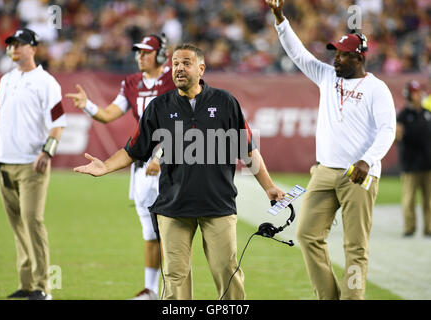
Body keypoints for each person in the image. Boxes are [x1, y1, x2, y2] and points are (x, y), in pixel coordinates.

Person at [73, 43, 285, 300]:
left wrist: (269, 186)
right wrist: (105, 166)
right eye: (175, 64)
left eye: (186, 63)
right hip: (173, 206)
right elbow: (133, 149)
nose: (179, 68)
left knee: (227, 273)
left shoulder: (226, 102)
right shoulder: (158, 106)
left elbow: (248, 150)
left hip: (217, 204)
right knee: (174, 277)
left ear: (201, 68)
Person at [266, 0, 396, 300]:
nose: (336, 59)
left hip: (358, 175)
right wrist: (280, 18)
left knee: (355, 246)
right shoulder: (327, 76)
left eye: (343, 55)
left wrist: (368, 159)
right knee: (306, 234)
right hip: (324, 171)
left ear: (359, 58)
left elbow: (387, 130)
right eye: (335, 53)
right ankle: (329, 296)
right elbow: (297, 53)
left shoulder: (376, 89)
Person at [66, 34, 175, 300]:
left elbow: (182, 121)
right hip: (141, 163)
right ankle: (150, 290)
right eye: (138, 52)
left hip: (172, 164)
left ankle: (174, 292)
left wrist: (162, 155)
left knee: (173, 232)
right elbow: (109, 114)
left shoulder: (173, 78)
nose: (140, 56)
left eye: (146, 52)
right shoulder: (132, 83)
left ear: (161, 55)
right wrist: (88, 105)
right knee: (150, 233)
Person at [0, 28, 66, 300]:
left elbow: (59, 122)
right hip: (4, 162)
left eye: (19, 44)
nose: (13, 48)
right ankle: (26, 284)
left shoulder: (47, 82)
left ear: (34, 48)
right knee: (17, 226)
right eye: (10, 44)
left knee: (33, 221)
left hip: (32, 164)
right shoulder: (6, 80)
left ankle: (43, 287)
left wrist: (47, 153)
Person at [396, 80, 431, 237]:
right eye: (415, 92)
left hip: (428, 163)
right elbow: (397, 137)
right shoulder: (402, 116)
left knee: (429, 200)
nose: (419, 94)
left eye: (419, 91)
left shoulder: (427, 113)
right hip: (410, 164)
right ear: (409, 94)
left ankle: (429, 227)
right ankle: (410, 227)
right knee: (409, 198)